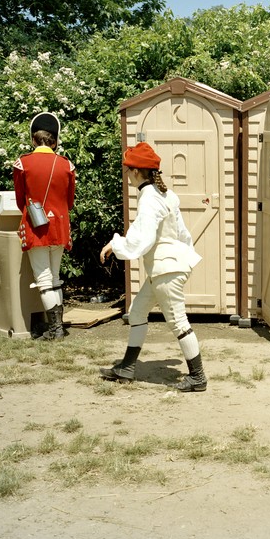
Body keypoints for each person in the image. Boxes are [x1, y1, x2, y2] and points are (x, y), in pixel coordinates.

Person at [99, 142, 207, 392]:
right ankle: (126, 368)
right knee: (137, 312)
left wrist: (116, 245)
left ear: (137, 171)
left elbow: (142, 239)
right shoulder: (164, 195)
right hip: (167, 267)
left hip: (165, 269)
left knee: (179, 323)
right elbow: (181, 233)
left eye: (128, 170)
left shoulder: (149, 198)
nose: (126, 174)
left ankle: (198, 377)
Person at [13, 112, 76, 340]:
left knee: (43, 278)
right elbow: (69, 201)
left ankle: (55, 329)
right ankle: (58, 326)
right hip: (60, 225)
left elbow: (21, 200)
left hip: (36, 225)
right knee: (55, 276)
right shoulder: (67, 165)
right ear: (55, 141)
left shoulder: (22, 163)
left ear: (33, 139)